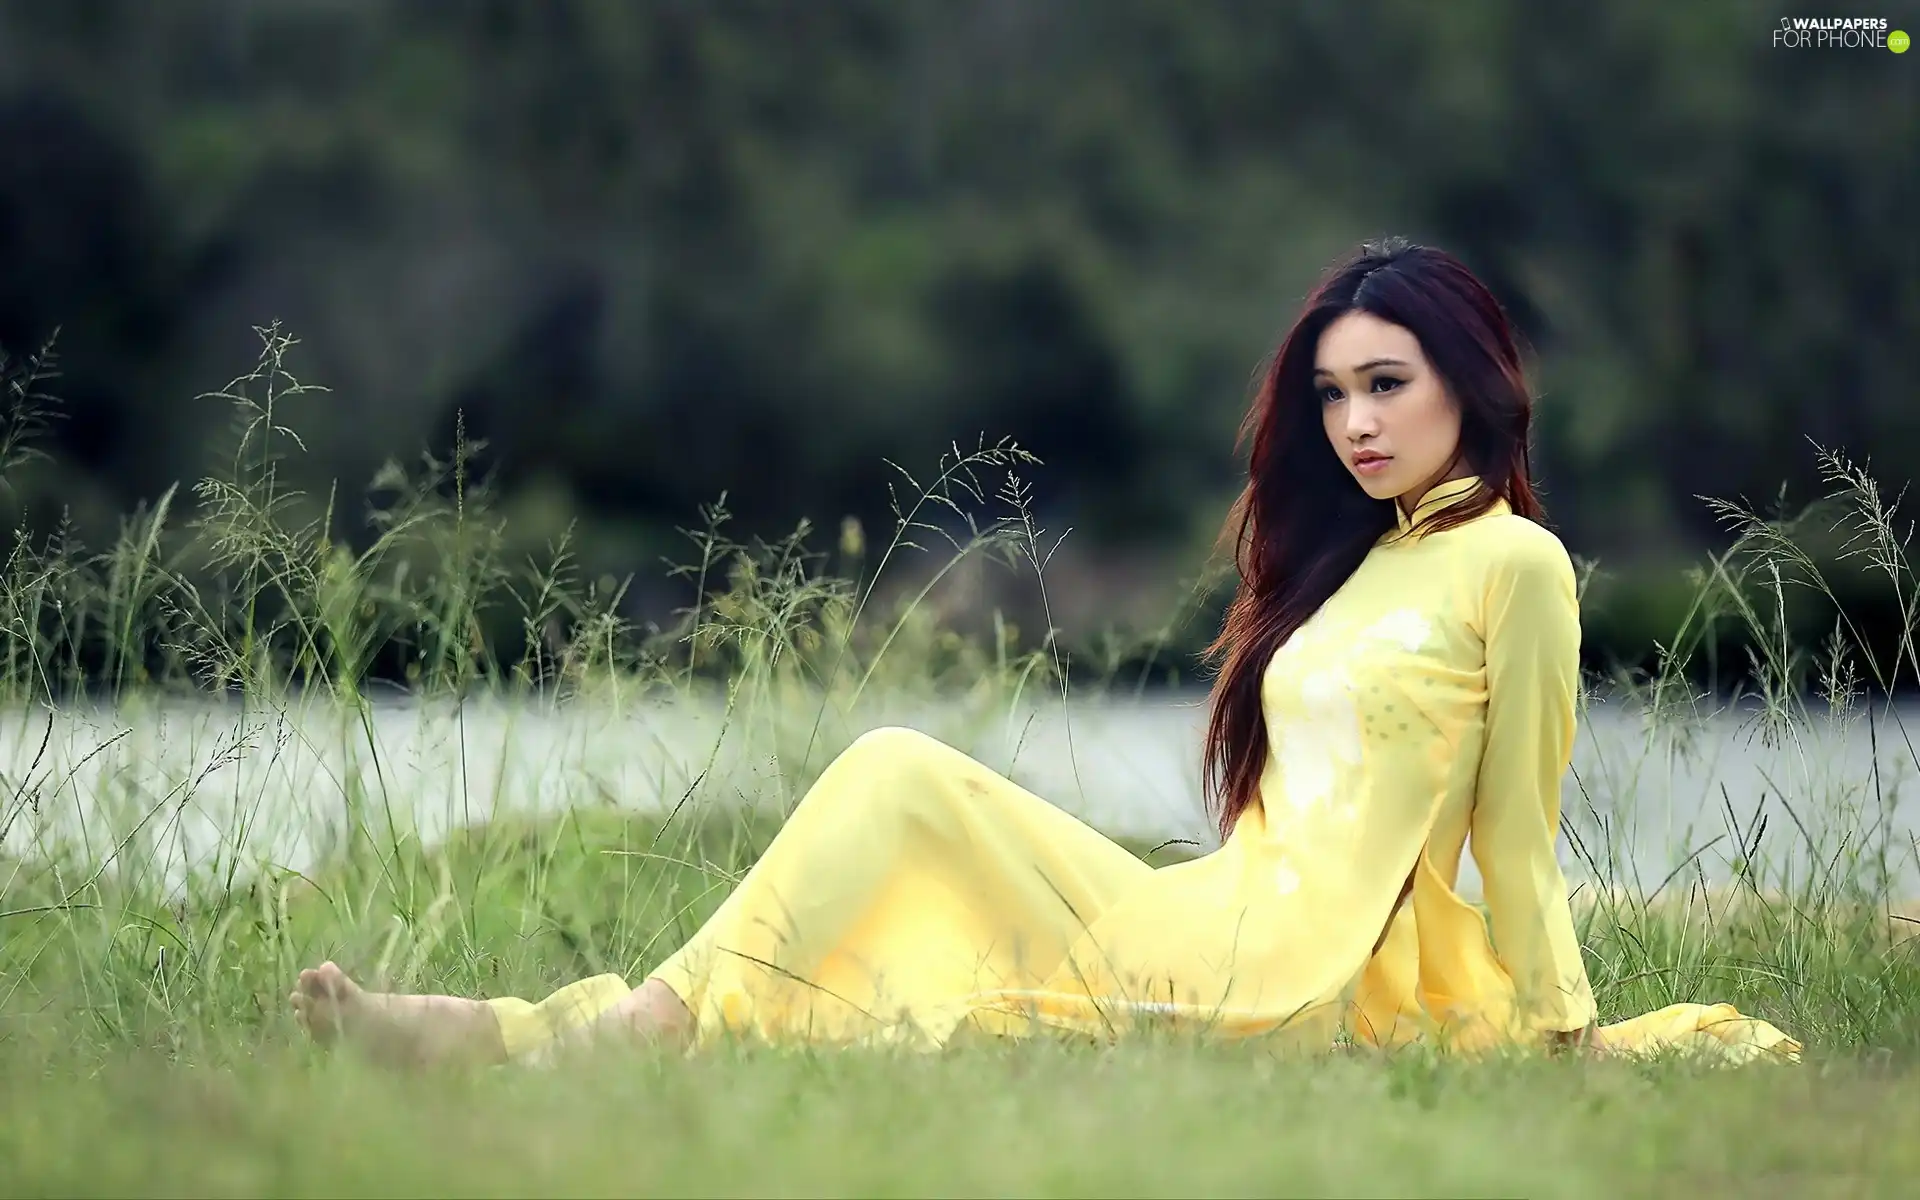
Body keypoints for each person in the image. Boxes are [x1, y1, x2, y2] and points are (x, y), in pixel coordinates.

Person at [291, 238, 1800, 1068]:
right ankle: (576, 1035)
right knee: (897, 786)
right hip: (1212, 914)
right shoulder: (1354, 566)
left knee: (900, 794)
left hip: (1303, 979)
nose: (1355, 424)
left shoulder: (1517, 567)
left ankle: (563, 1047)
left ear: (1473, 381)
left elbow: (1517, 838)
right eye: (1334, 393)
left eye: (1387, 384)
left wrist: (1563, 1033)